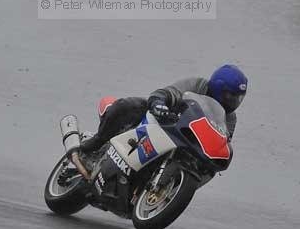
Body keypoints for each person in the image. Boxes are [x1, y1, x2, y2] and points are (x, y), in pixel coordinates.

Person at [79, 63, 248, 158]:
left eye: (239, 97)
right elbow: (170, 91)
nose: (235, 101)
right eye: (231, 96)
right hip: (164, 122)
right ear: (218, 87)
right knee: (128, 106)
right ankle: (97, 141)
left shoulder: (230, 118)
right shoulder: (197, 85)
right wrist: (159, 103)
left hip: (187, 143)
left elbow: (222, 141)